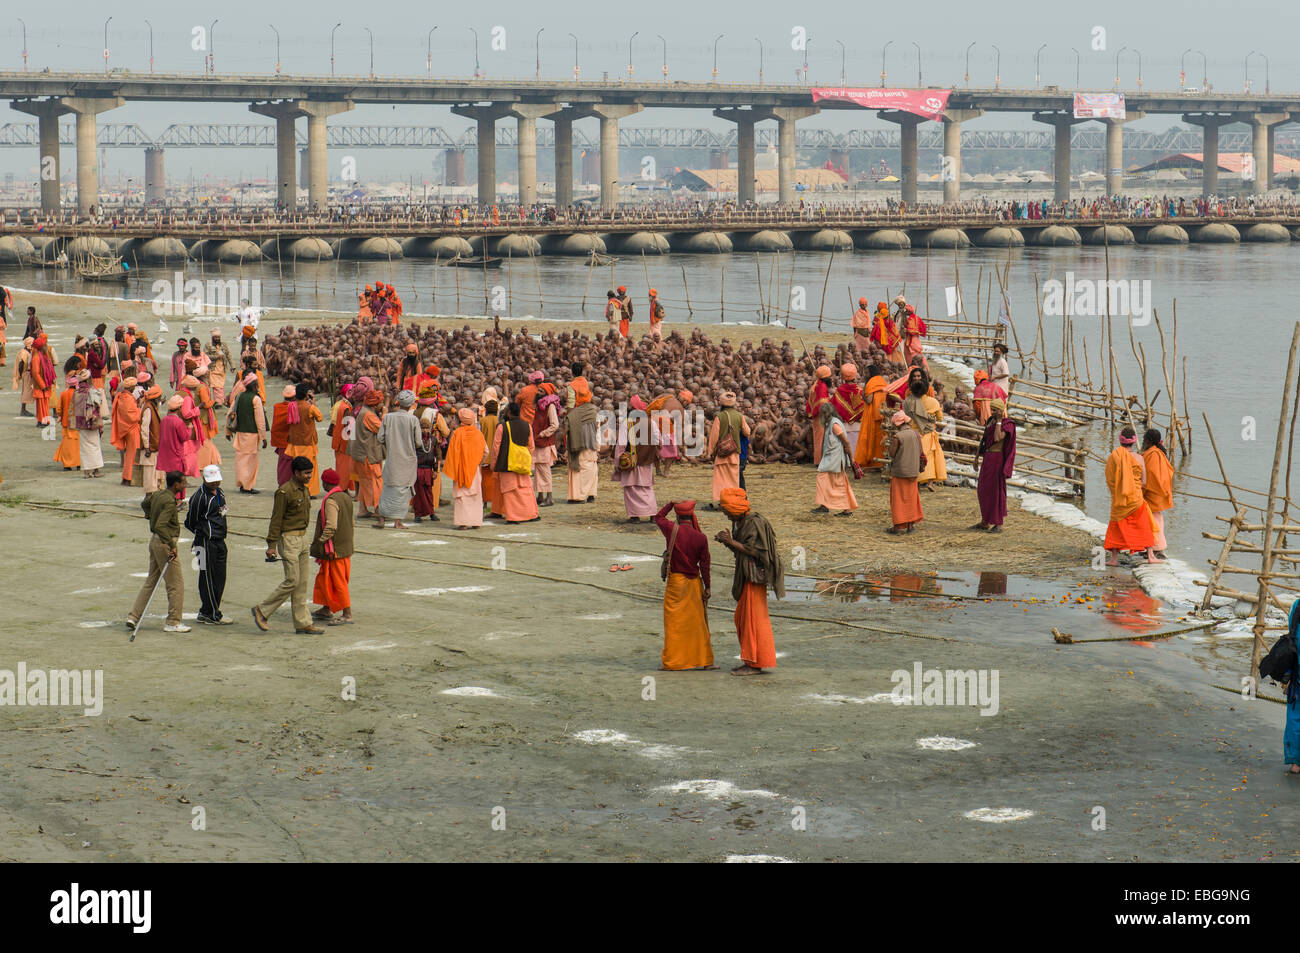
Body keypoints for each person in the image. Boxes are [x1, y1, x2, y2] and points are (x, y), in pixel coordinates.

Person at [714, 488, 783, 676]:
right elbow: (741, 551)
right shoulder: (742, 523)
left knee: (753, 620)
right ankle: (751, 660)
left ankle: (754, 663)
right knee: (743, 618)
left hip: (754, 579)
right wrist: (727, 542)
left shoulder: (755, 523)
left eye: (727, 512)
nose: (726, 516)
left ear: (735, 509)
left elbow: (758, 552)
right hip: (746, 576)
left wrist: (731, 541)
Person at [251, 455, 324, 634]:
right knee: (292, 580)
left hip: (302, 538)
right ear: (296, 473)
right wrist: (271, 546)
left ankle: (303, 623)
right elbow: (276, 519)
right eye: (306, 473)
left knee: (302, 583)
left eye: (310, 473)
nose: (309, 476)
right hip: (289, 539)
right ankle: (262, 610)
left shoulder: (304, 490)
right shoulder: (284, 492)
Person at [125, 470, 191, 634]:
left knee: (151, 580)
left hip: (154, 541)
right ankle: (173, 621)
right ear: (176, 484)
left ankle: (133, 616)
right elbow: (161, 526)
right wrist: (171, 545)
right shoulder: (169, 502)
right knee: (176, 584)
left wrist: (150, 516)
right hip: (164, 543)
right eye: (183, 483)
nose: (185, 485)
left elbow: (144, 504)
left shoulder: (157, 494)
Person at [654, 500, 715, 671]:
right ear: (692, 515)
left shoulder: (671, 529)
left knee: (674, 623)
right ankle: (705, 660)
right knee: (698, 623)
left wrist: (670, 504)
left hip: (676, 583)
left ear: (678, 516)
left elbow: (658, 517)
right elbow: (705, 565)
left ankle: (673, 661)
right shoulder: (701, 538)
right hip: (694, 584)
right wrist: (708, 586)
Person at [185, 464, 233, 625]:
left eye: (217, 480)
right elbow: (190, 521)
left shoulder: (220, 492)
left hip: (220, 540)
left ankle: (209, 610)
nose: (215, 483)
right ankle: (211, 613)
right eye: (211, 481)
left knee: (220, 577)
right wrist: (203, 533)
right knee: (208, 578)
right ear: (204, 479)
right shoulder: (199, 498)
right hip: (205, 543)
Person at [1104, 425, 1157, 565]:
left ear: (1120, 440)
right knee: (1144, 526)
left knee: (1116, 527)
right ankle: (1151, 556)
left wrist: (1121, 489)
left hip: (1120, 498)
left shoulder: (1114, 457)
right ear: (1134, 441)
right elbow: (1144, 482)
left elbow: (1110, 479)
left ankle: (1114, 559)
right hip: (1136, 499)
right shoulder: (1139, 458)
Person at [310, 468, 355, 625]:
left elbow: (331, 525)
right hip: (345, 546)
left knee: (337, 581)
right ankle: (326, 608)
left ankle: (347, 614)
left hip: (334, 549)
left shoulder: (331, 500)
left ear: (325, 482)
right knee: (325, 578)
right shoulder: (345, 497)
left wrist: (320, 542)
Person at [377, 390, 421, 529]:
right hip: (407, 460)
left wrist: (391, 443)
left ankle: (382, 519)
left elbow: (380, 438)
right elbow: (418, 443)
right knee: (403, 490)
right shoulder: (413, 420)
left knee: (388, 488)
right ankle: (397, 522)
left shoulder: (388, 417)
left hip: (392, 458)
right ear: (411, 404)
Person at [971, 398, 1016, 532]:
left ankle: (998, 523)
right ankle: (985, 521)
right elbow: (985, 439)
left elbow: (997, 438)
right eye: (992, 409)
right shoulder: (990, 421)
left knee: (995, 491)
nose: (993, 411)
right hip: (988, 458)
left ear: (1002, 410)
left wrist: (999, 421)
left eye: (996, 409)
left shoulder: (1007, 424)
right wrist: (977, 457)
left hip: (997, 459)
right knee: (983, 489)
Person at [490, 402, 539, 524]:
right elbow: (531, 446)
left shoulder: (502, 427)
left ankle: (514, 517)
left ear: (510, 413)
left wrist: (494, 465)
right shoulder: (527, 426)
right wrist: (526, 460)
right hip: (522, 463)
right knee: (525, 489)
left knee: (510, 490)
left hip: (506, 463)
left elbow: (496, 447)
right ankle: (531, 514)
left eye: (506, 411)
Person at [613, 397, 659, 523]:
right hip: (647, 461)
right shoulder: (652, 423)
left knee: (631, 487)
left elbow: (621, 444)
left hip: (631, 461)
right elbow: (657, 440)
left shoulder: (627, 423)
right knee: (647, 488)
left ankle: (635, 517)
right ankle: (652, 514)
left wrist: (617, 461)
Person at [445, 407, 488, 529]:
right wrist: (479, 463)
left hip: (460, 470)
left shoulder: (457, 433)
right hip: (474, 469)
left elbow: (452, 452)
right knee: (475, 496)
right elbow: (486, 451)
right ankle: (475, 522)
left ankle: (463, 523)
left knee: (462, 497)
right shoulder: (478, 433)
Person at [707, 391, 749, 510]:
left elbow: (714, 436)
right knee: (733, 479)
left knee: (721, 479)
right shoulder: (739, 416)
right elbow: (747, 432)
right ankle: (732, 501)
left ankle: (722, 501)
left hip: (722, 454)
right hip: (735, 453)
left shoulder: (719, 417)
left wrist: (710, 452)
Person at [226, 373, 267, 493]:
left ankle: (242, 484)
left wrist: (228, 431)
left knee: (240, 460)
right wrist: (263, 437)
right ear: (254, 386)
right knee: (250, 461)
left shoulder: (239, 396)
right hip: (252, 435)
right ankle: (247, 486)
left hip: (240, 434)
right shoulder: (256, 399)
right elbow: (260, 420)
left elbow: (230, 413)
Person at [813, 403, 857, 516]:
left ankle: (843, 509)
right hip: (831, 458)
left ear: (826, 414)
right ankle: (825, 505)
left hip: (835, 459)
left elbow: (846, 442)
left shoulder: (834, 424)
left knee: (830, 481)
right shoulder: (830, 423)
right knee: (829, 482)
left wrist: (851, 459)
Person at [349, 385, 386, 519]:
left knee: (364, 482)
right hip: (367, 456)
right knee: (376, 481)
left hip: (359, 455)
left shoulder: (364, 411)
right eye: (381, 403)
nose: (382, 405)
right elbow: (382, 430)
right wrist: (385, 414)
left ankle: (363, 510)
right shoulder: (369, 415)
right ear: (375, 404)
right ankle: (378, 510)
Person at [414, 386, 449, 521]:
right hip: (429, 456)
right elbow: (445, 432)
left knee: (420, 489)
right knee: (428, 489)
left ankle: (425, 510)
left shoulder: (412, 412)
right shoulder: (436, 414)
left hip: (422, 459)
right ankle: (425, 511)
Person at [887, 411, 924, 534]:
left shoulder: (897, 437)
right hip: (913, 471)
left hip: (900, 471)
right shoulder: (916, 434)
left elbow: (892, 454)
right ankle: (910, 526)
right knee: (912, 498)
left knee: (898, 499)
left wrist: (887, 444)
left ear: (897, 424)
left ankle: (898, 526)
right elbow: (921, 452)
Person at [284, 384, 324, 496]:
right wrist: (313, 402)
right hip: (307, 442)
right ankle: (309, 491)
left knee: (298, 468)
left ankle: (298, 489)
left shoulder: (291, 406)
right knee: (310, 468)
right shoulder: (310, 407)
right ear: (307, 395)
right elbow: (320, 418)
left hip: (295, 442)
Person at [565, 379, 600, 503]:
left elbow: (566, 429)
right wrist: (598, 447)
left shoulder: (573, 413)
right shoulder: (593, 411)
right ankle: (590, 494)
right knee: (592, 469)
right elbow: (598, 429)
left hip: (577, 446)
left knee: (577, 470)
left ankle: (578, 496)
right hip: (591, 445)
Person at [1141, 427, 1174, 559]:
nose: (1143, 442)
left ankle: (1156, 548)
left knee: (1152, 521)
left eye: (1144, 440)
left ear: (1149, 441)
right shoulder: (1157, 453)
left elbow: (1151, 475)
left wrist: (1141, 489)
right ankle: (1153, 547)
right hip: (1159, 493)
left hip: (1153, 493)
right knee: (1155, 519)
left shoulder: (1153, 455)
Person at [852, 363, 889, 472]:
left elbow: (868, 400)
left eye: (866, 373)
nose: (865, 375)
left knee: (870, 439)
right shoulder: (882, 381)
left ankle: (871, 462)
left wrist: (863, 391)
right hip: (882, 414)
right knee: (880, 439)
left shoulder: (871, 383)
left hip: (872, 415)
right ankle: (879, 463)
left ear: (871, 373)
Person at [110, 372, 141, 485]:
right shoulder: (127, 398)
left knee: (129, 454)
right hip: (131, 429)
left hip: (126, 428)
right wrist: (139, 409)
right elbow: (131, 415)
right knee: (132, 455)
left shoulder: (122, 396)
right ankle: (128, 478)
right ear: (131, 387)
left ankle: (127, 477)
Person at [531, 388, 561, 507]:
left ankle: (549, 497)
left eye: (542, 392)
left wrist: (543, 433)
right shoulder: (540, 405)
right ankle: (540, 495)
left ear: (548, 393)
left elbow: (555, 425)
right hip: (538, 441)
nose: (538, 393)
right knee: (539, 469)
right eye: (538, 391)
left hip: (545, 442)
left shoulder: (550, 406)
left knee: (544, 470)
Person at [73, 369, 105, 479]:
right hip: (92, 422)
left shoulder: (76, 393)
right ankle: (96, 470)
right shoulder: (91, 392)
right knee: (95, 446)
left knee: (84, 448)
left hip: (81, 424)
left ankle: (86, 472)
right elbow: (97, 406)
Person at [831, 363, 865, 453]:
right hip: (859, 425)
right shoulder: (861, 391)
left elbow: (833, 408)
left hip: (843, 426)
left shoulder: (838, 392)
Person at [53, 364, 81, 471]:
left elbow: (59, 409)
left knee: (67, 444)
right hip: (78, 423)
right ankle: (79, 463)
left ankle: (67, 464)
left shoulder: (64, 394)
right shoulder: (79, 394)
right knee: (78, 444)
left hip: (66, 422)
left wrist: (61, 415)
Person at [329, 383, 355, 495]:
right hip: (343, 444)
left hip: (340, 442)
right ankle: (343, 489)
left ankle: (344, 488)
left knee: (343, 467)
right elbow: (348, 428)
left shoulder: (341, 405)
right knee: (344, 469)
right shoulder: (346, 408)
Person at [137, 384, 164, 493]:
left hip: (154, 445)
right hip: (150, 447)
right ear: (155, 398)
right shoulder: (148, 409)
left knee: (156, 473)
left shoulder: (151, 407)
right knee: (150, 475)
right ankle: (151, 496)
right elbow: (144, 429)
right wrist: (147, 447)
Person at [805, 365, 833, 464]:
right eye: (830, 376)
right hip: (821, 416)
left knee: (819, 439)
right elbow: (822, 404)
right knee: (820, 440)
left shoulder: (817, 384)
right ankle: (819, 461)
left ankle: (819, 461)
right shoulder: (821, 386)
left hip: (818, 416)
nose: (831, 378)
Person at [31, 333, 55, 426]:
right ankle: (41, 420)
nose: (46, 347)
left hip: (45, 384)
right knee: (41, 404)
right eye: (45, 345)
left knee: (45, 404)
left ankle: (44, 420)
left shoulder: (44, 355)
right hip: (41, 385)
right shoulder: (36, 357)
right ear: (41, 347)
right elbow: (35, 373)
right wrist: (43, 385)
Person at [205, 328, 234, 404]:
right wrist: (216, 357)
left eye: (218, 337)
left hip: (222, 369)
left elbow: (228, 355)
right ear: (212, 338)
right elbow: (205, 356)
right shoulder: (208, 345)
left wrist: (232, 366)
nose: (217, 339)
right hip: (213, 369)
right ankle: (219, 402)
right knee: (216, 386)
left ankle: (222, 400)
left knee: (220, 386)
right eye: (215, 337)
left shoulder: (223, 345)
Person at [13, 336, 34, 416]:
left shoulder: (26, 351)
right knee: (26, 391)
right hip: (26, 374)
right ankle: (23, 410)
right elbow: (21, 364)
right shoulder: (24, 352)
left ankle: (24, 409)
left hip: (27, 373)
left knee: (26, 390)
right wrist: (22, 374)